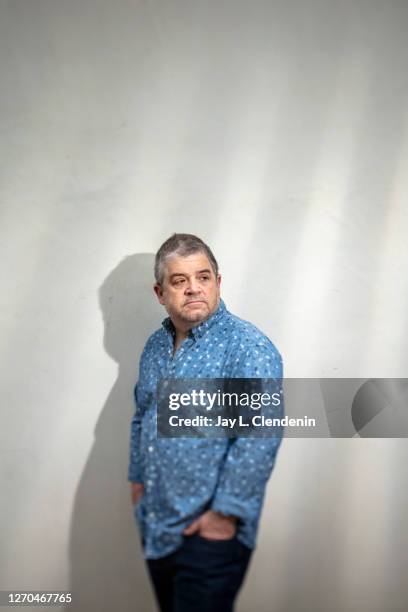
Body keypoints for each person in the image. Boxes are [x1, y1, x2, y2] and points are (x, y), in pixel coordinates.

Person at [128, 233, 283, 612]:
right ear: (160, 292)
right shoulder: (155, 345)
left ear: (218, 282)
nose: (193, 289)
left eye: (203, 277)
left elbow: (260, 435)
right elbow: (142, 413)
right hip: (159, 525)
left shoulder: (247, 347)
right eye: (179, 281)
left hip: (209, 535)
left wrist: (224, 515)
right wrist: (137, 480)